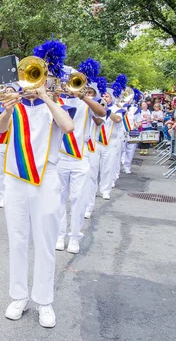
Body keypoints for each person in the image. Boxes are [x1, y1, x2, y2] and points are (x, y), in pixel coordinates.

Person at [0, 84, 75, 328]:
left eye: (36, 81)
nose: (31, 87)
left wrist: (45, 97)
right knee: (17, 239)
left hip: (46, 176)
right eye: (27, 82)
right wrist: (7, 111)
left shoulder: (58, 107)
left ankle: (44, 301)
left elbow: (68, 127)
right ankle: (19, 297)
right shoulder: (12, 106)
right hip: (16, 178)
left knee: (45, 241)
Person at [56, 72, 106, 254]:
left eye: (73, 83)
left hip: (80, 156)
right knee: (58, 198)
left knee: (78, 198)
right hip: (59, 156)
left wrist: (83, 95)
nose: (70, 86)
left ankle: (74, 236)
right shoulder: (57, 101)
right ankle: (60, 235)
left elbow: (102, 113)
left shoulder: (86, 103)